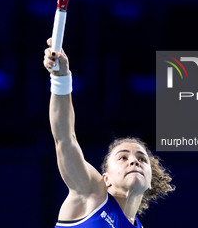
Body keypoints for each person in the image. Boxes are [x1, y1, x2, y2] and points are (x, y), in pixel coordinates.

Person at [43, 38, 175, 227]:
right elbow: (65, 138)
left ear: (150, 181)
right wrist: (61, 77)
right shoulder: (91, 195)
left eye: (142, 159)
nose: (134, 161)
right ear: (106, 179)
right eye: (122, 157)